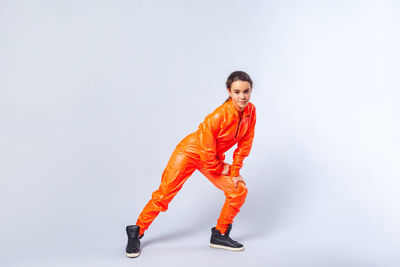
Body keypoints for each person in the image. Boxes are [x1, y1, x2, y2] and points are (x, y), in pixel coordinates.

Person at [125, 70, 257, 258]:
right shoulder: (218, 116)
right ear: (229, 91)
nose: (242, 96)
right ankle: (136, 232)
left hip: (210, 158)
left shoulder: (250, 113)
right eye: (237, 92)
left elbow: (245, 144)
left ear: (251, 91)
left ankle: (219, 234)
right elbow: (207, 152)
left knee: (238, 190)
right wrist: (223, 168)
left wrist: (234, 170)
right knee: (164, 195)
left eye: (246, 91)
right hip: (190, 152)